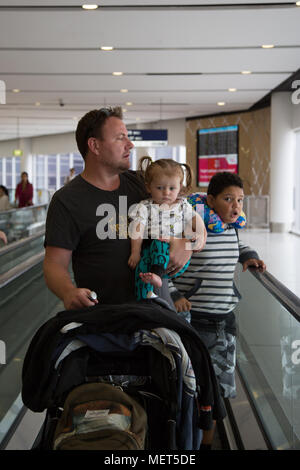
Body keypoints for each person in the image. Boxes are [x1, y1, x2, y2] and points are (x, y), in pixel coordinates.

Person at [43, 107, 194, 311]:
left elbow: (188, 213)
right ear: (94, 145)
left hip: (157, 312)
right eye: (120, 138)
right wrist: (68, 292)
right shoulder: (67, 200)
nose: (130, 144)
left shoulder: (143, 184)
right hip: (105, 318)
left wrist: (186, 243)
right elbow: (54, 264)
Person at [168, 171, 266, 450]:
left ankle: (206, 444)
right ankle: (191, 443)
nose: (236, 206)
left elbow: (237, 245)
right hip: (194, 322)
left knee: (218, 390)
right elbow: (164, 266)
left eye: (240, 200)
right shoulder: (193, 229)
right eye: (228, 199)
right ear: (210, 200)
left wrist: (248, 255)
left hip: (225, 321)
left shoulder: (231, 227)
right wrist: (174, 295)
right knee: (196, 389)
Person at [128, 156, 206, 302]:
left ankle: (158, 274)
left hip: (174, 259)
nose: (166, 193)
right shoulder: (145, 207)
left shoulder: (183, 205)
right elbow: (137, 229)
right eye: (160, 188)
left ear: (180, 188)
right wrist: (135, 252)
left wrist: (200, 236)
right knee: (141, 271)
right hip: (149, 250)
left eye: (172, 188)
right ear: (148, 187)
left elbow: (197, 219)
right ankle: (143, 300)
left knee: (160, 242)